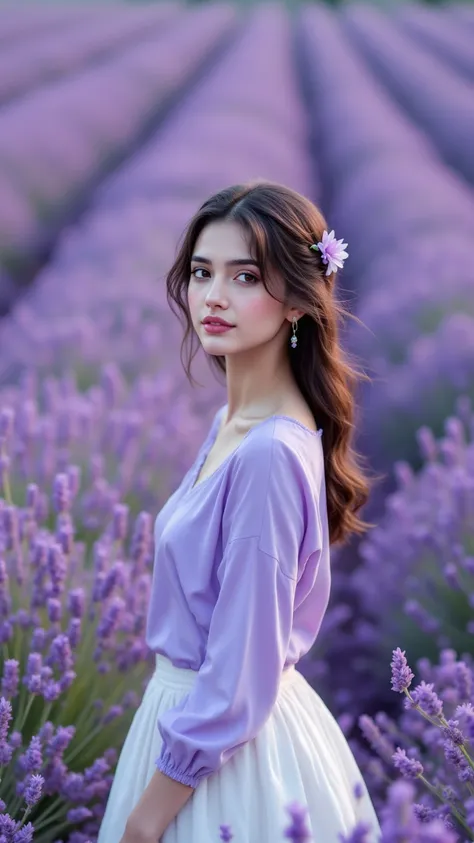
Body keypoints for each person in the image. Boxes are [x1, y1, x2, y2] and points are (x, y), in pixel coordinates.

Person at [97, 180, 381, 843]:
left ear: (296, 304)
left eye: (245, 276)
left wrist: (148, 816)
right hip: (199, 727)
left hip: (220, 758)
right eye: (202, 272)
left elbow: (238, 669)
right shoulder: (236, 420)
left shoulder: (266, 454)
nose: (213, 295)